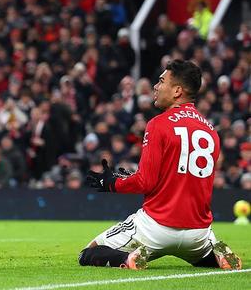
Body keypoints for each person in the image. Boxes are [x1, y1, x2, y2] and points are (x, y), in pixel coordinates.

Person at [82, 60, 241, 270]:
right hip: (198, 232)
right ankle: (216, 255)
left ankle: (128, 259)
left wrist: (112, 183)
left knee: (88, 253)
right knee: (199, 251)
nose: (156, 87)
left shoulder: (159, 124)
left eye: (161, 81)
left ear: (177, 91)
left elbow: (145, 182)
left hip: (156, 227)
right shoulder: (211, 130)